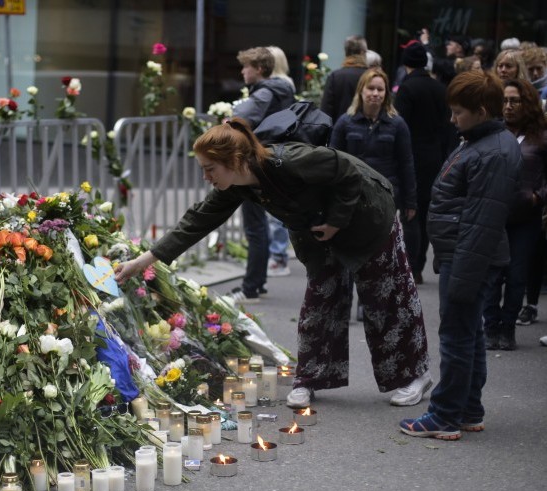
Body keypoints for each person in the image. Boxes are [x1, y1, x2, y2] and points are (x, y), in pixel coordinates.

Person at [115, 118, 433, 409]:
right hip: (319, 232)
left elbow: (347, 171)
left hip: (367, 216)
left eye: (210, 168)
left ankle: (414, 376)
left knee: (386, 298)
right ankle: (311, 379)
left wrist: (337, 220)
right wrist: (142, 262)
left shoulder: (287, 161)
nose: (205, 177)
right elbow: (196, 221)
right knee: (320, 300)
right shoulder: (236, 184)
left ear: (234, 161)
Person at [400, 71, 521, 440]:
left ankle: (445, 415)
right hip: (465, 255)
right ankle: (467, 409)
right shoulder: (482, 141)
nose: (452, 119)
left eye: (458, 112)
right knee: (467, 334)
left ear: (481, 111)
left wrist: (463, 277)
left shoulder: (493, 151)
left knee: (456, 336)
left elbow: (481, 222)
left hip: (469, 259)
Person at [330, 68, 418, 321]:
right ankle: (343, 303)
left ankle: (368, 304)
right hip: (352, 198)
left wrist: (410, 201)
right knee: (348, 252)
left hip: (385, 199)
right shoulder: (345, 122)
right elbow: (333, 162)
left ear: (386, 93)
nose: (376, 94)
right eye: (371, 88)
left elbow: (406, 163)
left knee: (377, 255)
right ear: (361, 91)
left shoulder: (397, 124)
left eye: (380, 89)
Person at [483, 78, 547, 350]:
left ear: (527, 103)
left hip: (526, 218)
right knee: (492, 275)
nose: (509, 106)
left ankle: (508, 328)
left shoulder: (541, 136)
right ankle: (491, 327)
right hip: (494, 214)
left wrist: (538, 196)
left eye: (515, 101)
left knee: (517, 274)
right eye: (505, 101)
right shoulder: (493, 133)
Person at [228, 47, 296, 302]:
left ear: (258, 69)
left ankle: (251, 287)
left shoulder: (265, 92)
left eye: (246, 67)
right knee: (262, 225)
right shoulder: (281, 89)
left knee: (255, 226)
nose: (242, 71)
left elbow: (239, 119)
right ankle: (259, 281)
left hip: (257, 164)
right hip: (274, 161)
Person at [395, 40, 458, 284]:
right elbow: (447, 127)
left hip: (411, 157)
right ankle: (419, 262)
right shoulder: (440, 89)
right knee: (423, 214)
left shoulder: (407, 89)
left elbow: (401, 126)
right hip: (435, 157)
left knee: (410, 212)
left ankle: (410, 265)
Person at [265, 45, 296, 277]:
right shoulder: (285, 85)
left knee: (275, 210)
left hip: (275, 150)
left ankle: (278, 257)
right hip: (279, 149)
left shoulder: (278, 87)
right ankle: (277, 255)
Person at [320, 35, 368, 123]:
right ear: (362, 52)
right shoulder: (370, 76)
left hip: (339, 131)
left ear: (346, 52)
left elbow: (325, 111)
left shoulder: (335, 76)